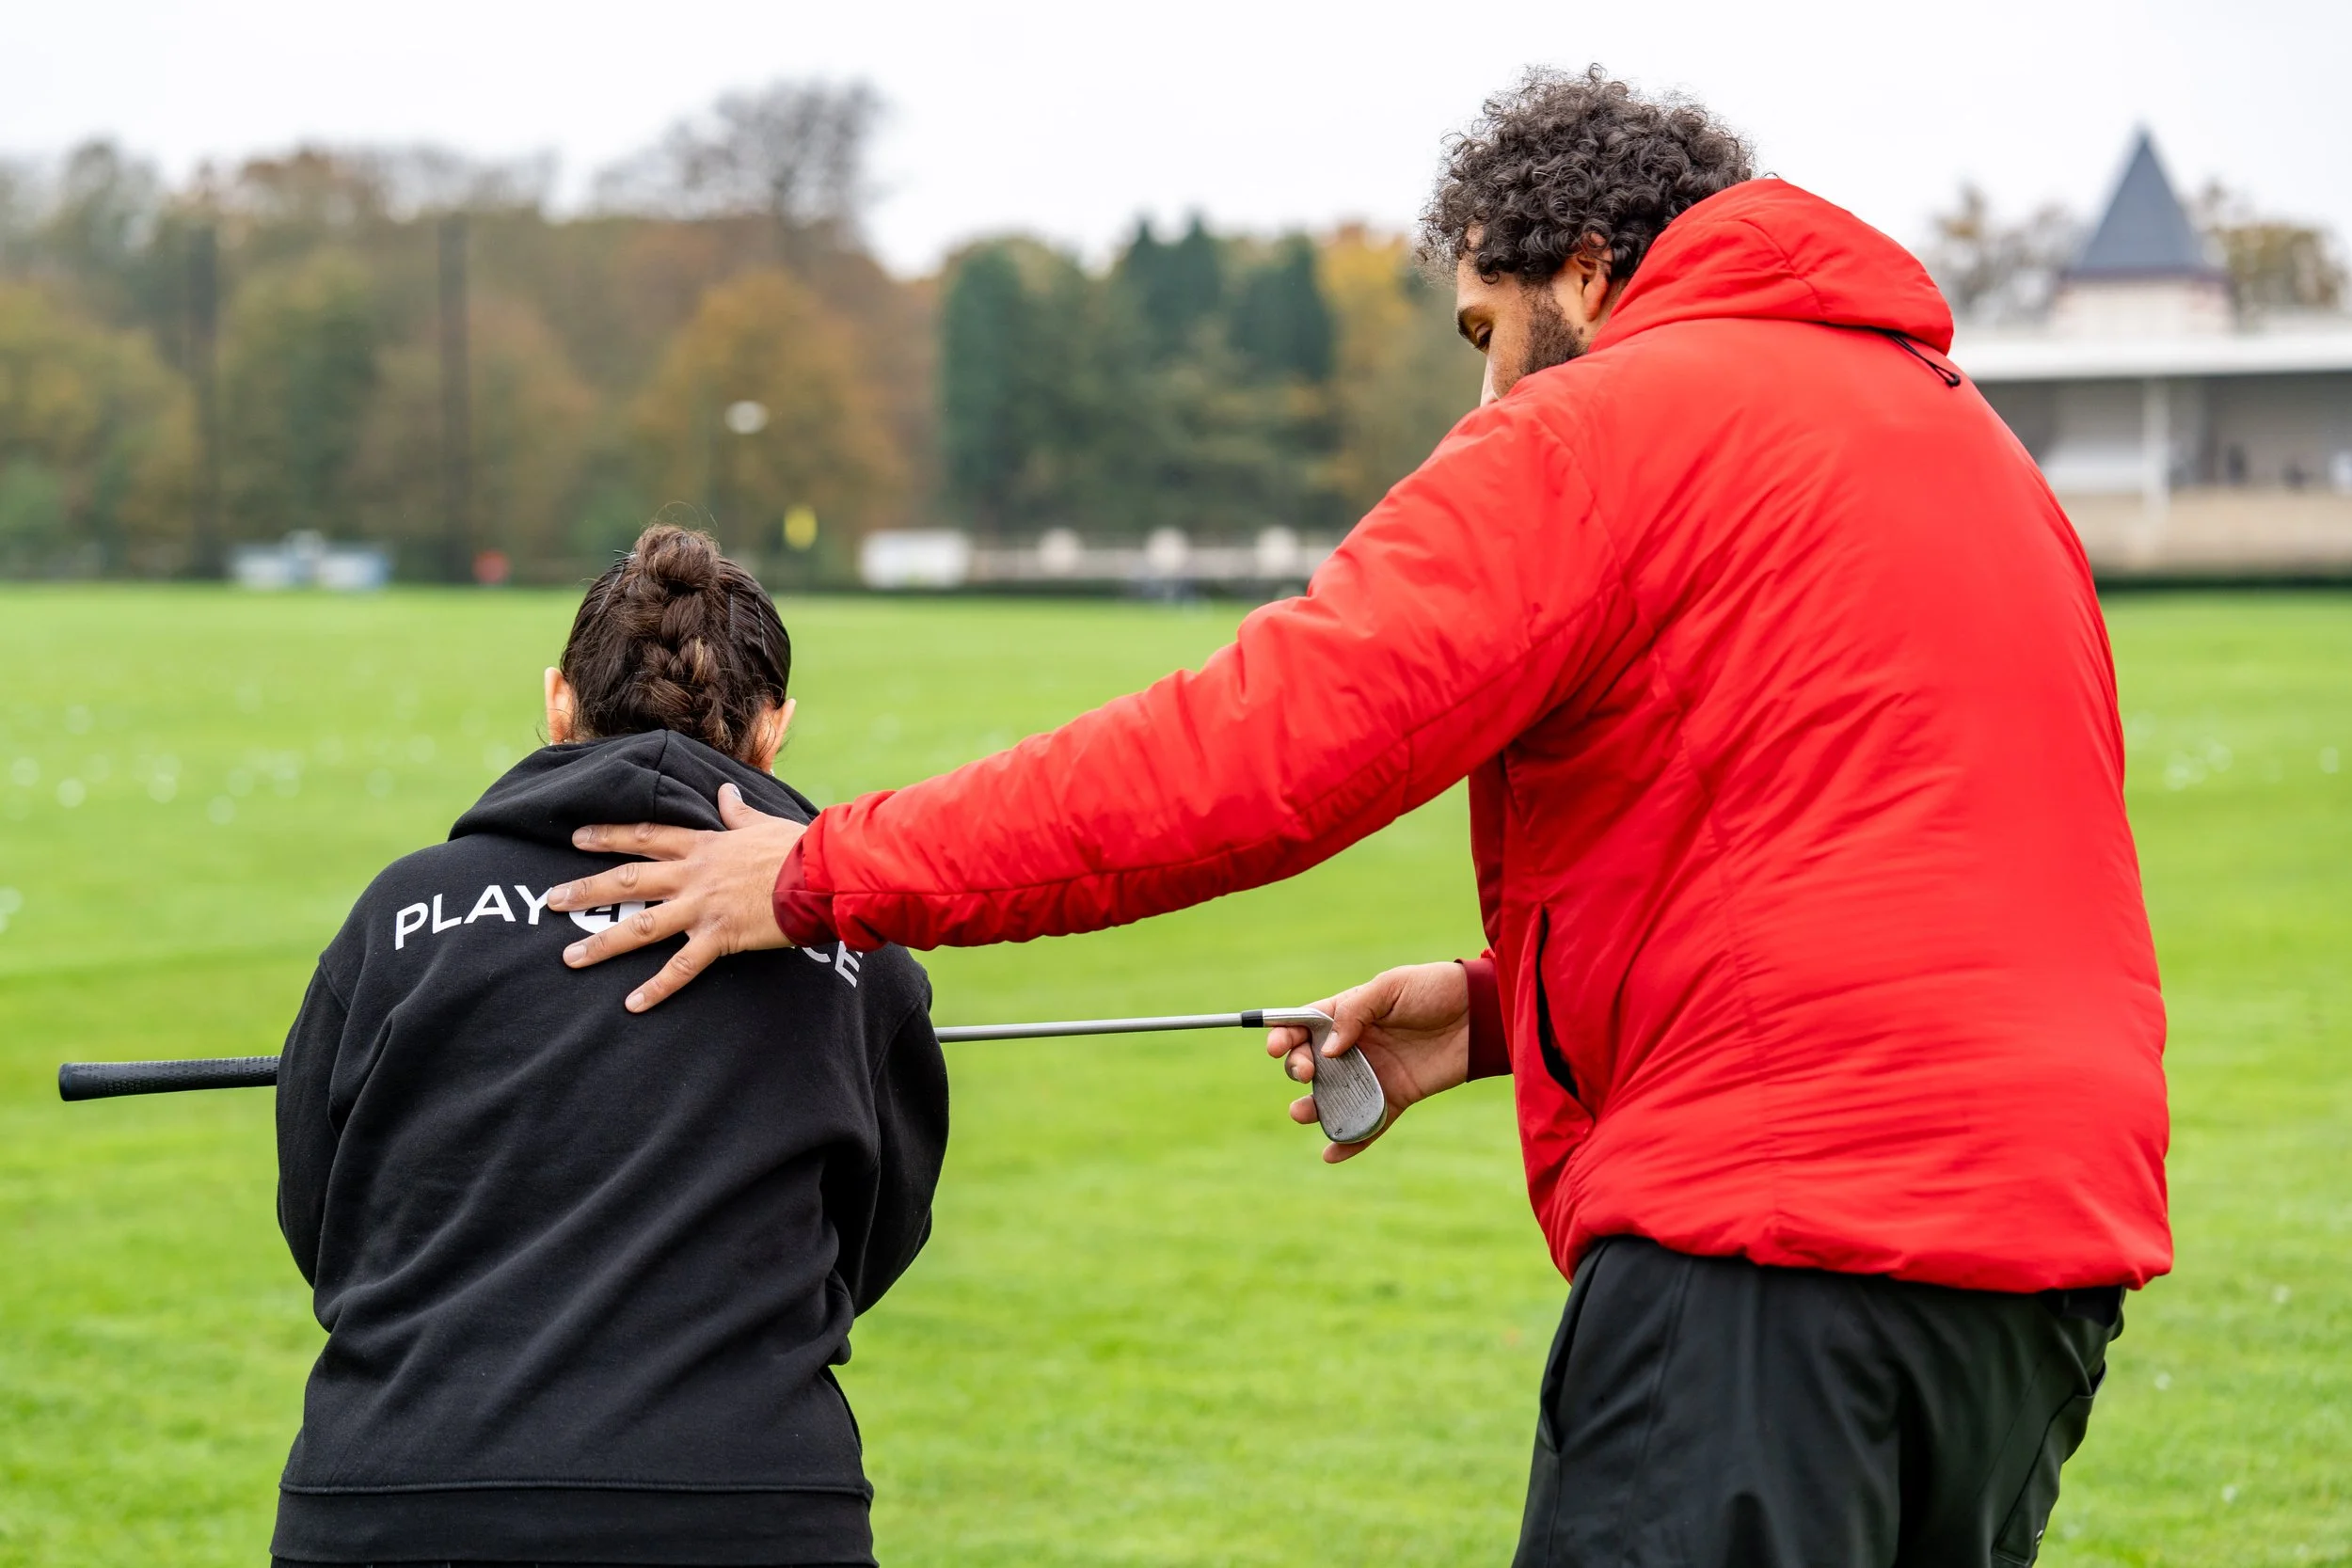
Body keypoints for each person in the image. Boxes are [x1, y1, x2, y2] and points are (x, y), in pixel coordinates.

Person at [546, 70, 2169, 1566]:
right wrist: (1493, 1017)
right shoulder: (1976, 452)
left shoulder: (1607, 425)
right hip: (2039, 1269)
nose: (1480, 388)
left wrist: (825, 870)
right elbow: (1869, 852)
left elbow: (1253, 752)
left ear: (1589, 274)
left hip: (1778, 1257)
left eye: (1482, 326)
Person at [271, 525, 946, 1568]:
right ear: (773, 732)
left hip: (392, 1496)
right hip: (748, 1507)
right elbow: (872, 1241)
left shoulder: (401, 910)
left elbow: (328, 1219)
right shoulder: (857, 947)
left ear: (558, 703)